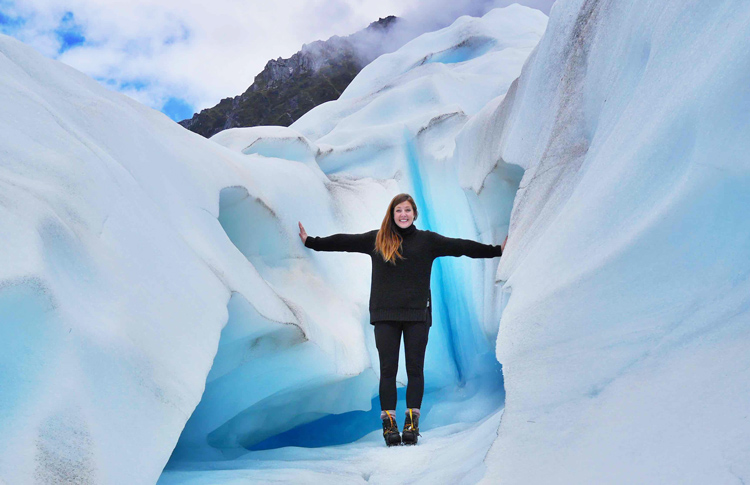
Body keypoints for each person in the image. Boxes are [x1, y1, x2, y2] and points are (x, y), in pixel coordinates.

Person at [298, 193, 506, 446]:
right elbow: (345, 241)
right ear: (392, 213)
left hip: (417, 315)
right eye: (398, 210)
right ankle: (389, 425)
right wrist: (311, 242)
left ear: (414, 214)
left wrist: (496, 251)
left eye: (407, 210)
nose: (403, 214)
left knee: (414, 369)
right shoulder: (378, 239)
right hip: (385, 315)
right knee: (388, 371)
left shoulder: (428, 241)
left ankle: (411, 423)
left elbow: (461, 247)